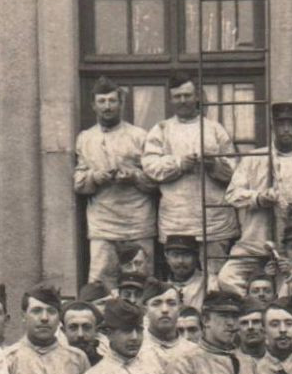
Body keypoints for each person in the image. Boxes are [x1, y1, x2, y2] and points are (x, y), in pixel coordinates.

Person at [221, 101, 292, 295]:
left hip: (290, 249)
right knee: (226, 280)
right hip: (252, 245)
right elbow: (232, 195)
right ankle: (255, 308)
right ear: (273, 126)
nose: (286, 129)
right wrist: (258, 198)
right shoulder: (254, 158)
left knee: (286, 291)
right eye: (281, 124)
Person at [142, 73, 238, 259]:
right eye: (177, 96)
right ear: (170, 100)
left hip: (214, 219)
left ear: (197, 97)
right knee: (181, 274)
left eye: (187, 95)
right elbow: (150, 166)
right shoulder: (161, 129)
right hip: (177, 219)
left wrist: (214, 165)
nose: (183, 100)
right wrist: (179, 164)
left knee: (214, 276)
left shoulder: (214, 129)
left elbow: (235, 170)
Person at [75, 77, 156, 290]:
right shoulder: (85, 138)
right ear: (94, 105)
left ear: (121, 103)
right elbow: (78, 182)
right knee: (101, 284)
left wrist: (135, 176)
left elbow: (156, 181)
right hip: (103, 224)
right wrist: (95, 177)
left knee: (142, 281)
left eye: (112, 101)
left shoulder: (139, 136)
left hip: (138, 222)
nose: (107, 106)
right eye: (102, 102)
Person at [160, 234, 208, 311]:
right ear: (167, 258)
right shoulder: (160, 288)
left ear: (196, 257)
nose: (180, 261)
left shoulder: (209, 284)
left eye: (187, 255)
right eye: (175, 255)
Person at [61, 299, 103, 368]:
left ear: (96, 330)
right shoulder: (54, 366)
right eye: (73, 327)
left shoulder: (107, 367)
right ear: (64, 331)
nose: (80, 334)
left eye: (86, 327)